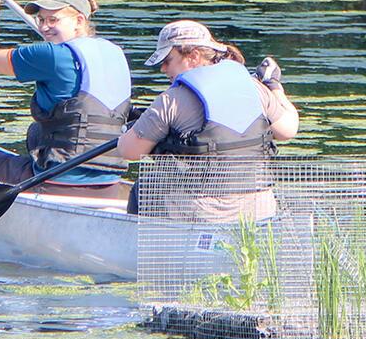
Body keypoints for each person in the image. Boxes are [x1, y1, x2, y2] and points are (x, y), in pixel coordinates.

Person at [0, 0, 133, 200]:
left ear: (78, 20)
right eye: (40, 19)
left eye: (53, 19)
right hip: (109, 183)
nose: (44, 27)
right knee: (36, 133)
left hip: (58, 182)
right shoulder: (115, 53)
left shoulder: (52, 55)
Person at [117, 20, 299, 214]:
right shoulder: (254, 87)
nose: (163, 69)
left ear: (194, 56)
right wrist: (274, 87)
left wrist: (134, 129)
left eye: (167, 60)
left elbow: (129, 151)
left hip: (206, 213)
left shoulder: (171, 100)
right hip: (259, 209)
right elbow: (288, 129)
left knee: (146, 185)